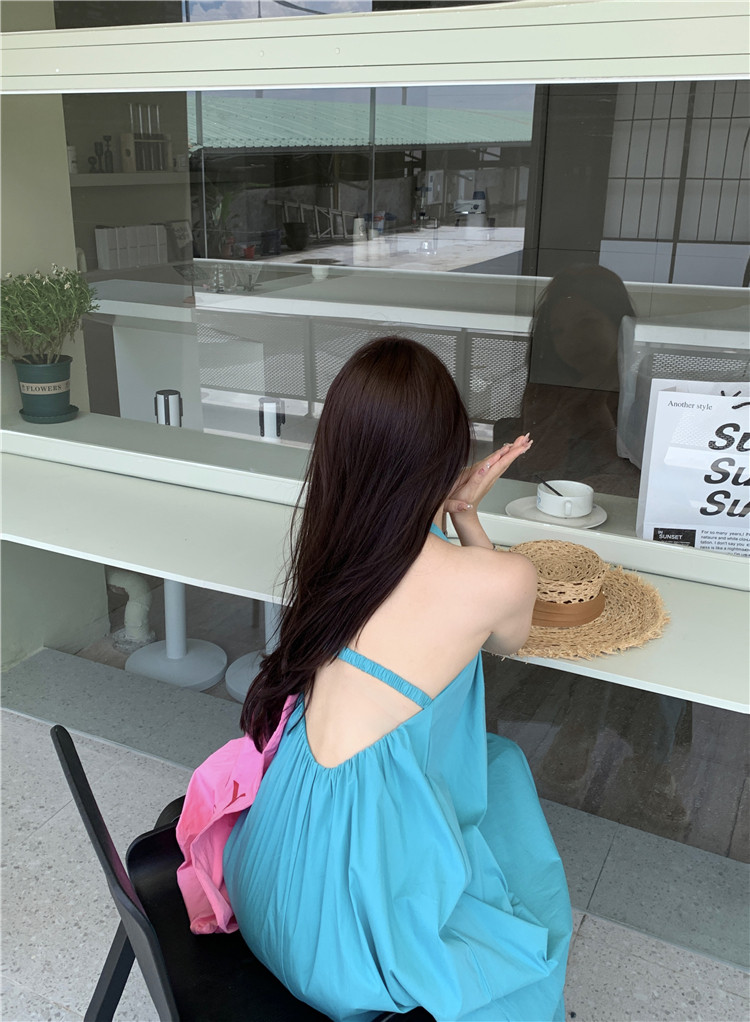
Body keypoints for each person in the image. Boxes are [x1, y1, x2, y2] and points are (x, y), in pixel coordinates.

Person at [223, 337, 572, 1021]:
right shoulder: (501, 578)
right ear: (448, 454)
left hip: (267, 881)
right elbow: (510, 639)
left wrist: (444, 512)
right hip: (346, 948)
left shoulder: (338, 548)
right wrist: (465, 516)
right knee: (519, 927)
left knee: (493, 765)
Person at [496, 263, 641, 496]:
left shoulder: (644, 397)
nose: (573, 340)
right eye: (558, 331)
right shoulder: (547, 392)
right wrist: (571, 406)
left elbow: (636, 484)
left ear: (620, 327)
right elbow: (534, 471)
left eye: (587, 323)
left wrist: (597, 408)